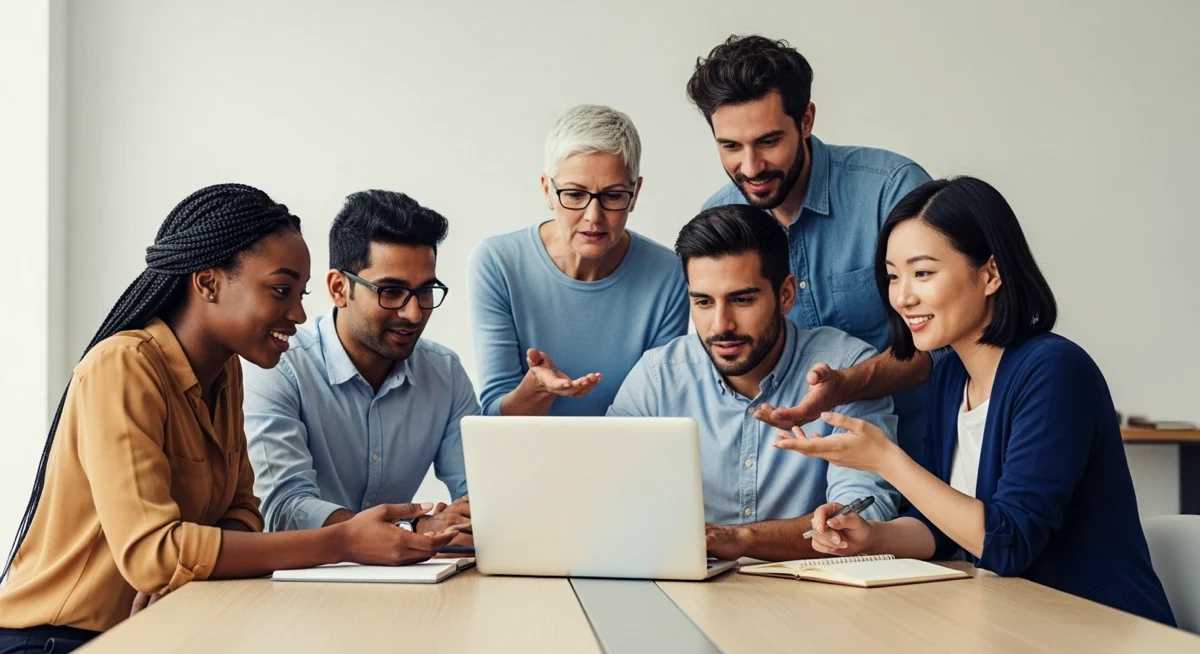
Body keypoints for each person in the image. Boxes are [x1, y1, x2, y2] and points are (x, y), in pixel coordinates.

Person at [0, 185, 454, 651]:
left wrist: (185, 563)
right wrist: (341, 542)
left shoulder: (227, 371)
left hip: (155, 630)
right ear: (208, 282)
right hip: (56, 640)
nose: (298, 313)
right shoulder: (124, 365)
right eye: (281, 290)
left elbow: (240, 510)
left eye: (300, 293)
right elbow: (153, 554)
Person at [777, 177, 1176, 626]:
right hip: (1014, 623)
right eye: (892, 276)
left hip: (1101, 628)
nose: (902, 296)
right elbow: (942, 529)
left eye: (922, 272)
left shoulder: (1055, 371)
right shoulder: (951, 375)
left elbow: (1007, 543)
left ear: (990, 273)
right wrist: (870, 536)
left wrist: (886, 461)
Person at [686, 34, 935, 458]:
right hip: (796, 467)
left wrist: (846, 385)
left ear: (806, 120)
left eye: (768, 141)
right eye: (730, 146)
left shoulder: (891, 192)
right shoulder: (719, 217)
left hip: (925, 448)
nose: (750, 167)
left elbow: (946, 340)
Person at [607, 204, 898, 561]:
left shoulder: (845, 370)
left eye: (741, 299)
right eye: (703, 302)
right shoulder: (657, 377)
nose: (720, 325)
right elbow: (607, 502)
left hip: (817, 596)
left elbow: (860, 518)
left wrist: (742, 539)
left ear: (786, 294)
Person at [244, 190, 476, 539]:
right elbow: (283, 509)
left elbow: (479, 493)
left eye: (425, 291)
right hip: (297, 582)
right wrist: (410, 527)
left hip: (405, 581)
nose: (413, 313)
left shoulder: (444, 372)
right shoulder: (280, 368)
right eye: (391, 291)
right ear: (339, 288)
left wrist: (468, 518)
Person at [468, 104, 689, 417]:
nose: (593, 217)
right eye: (574, 194)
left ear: (635, 193)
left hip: (629, 458)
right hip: (526, 458)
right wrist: (537, 390)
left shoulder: (669, 274)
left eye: (613, 196)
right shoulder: (497, 263)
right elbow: (493, 417)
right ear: (547, 190)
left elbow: (659, 408)